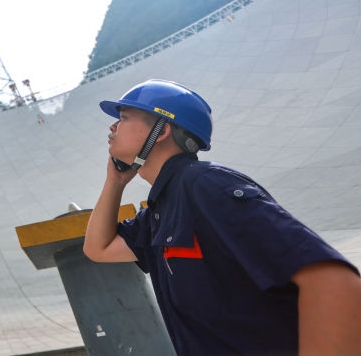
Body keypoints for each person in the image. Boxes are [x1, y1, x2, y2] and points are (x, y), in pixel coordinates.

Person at [82, 79, 361, 355]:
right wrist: (115, 183)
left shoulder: (206, 186)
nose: (113, 126)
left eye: (124, 117)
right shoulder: (160, 208)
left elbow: (333, 281)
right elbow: (98, 248)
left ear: (162, 129)